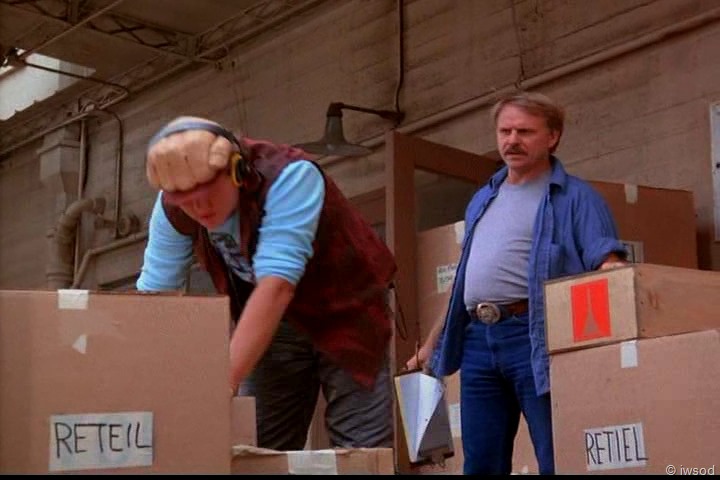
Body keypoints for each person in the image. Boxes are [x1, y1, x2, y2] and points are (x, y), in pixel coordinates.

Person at [136, 116, 396, 451]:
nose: (199, 208)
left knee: (363, 449)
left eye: (207, 193)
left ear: (236, 171)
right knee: (260, 448)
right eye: (186, 201)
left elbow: (276, 287)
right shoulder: (172, 211)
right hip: (275, 325)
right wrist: (144, 386)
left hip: (347, 309)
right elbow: (154, 299)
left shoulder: (289, 176)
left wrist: (219, 388)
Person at [407, 92, 627, 474]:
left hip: (536, 336)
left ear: (552, 137)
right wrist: (430, 346)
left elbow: (608, 262)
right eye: (505, 131)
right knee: (481, 463)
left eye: (525, 132)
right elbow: (463, 280)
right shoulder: (483, 199)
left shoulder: (576, 197)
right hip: (477, 339)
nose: (512, 140)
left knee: (556, 456)